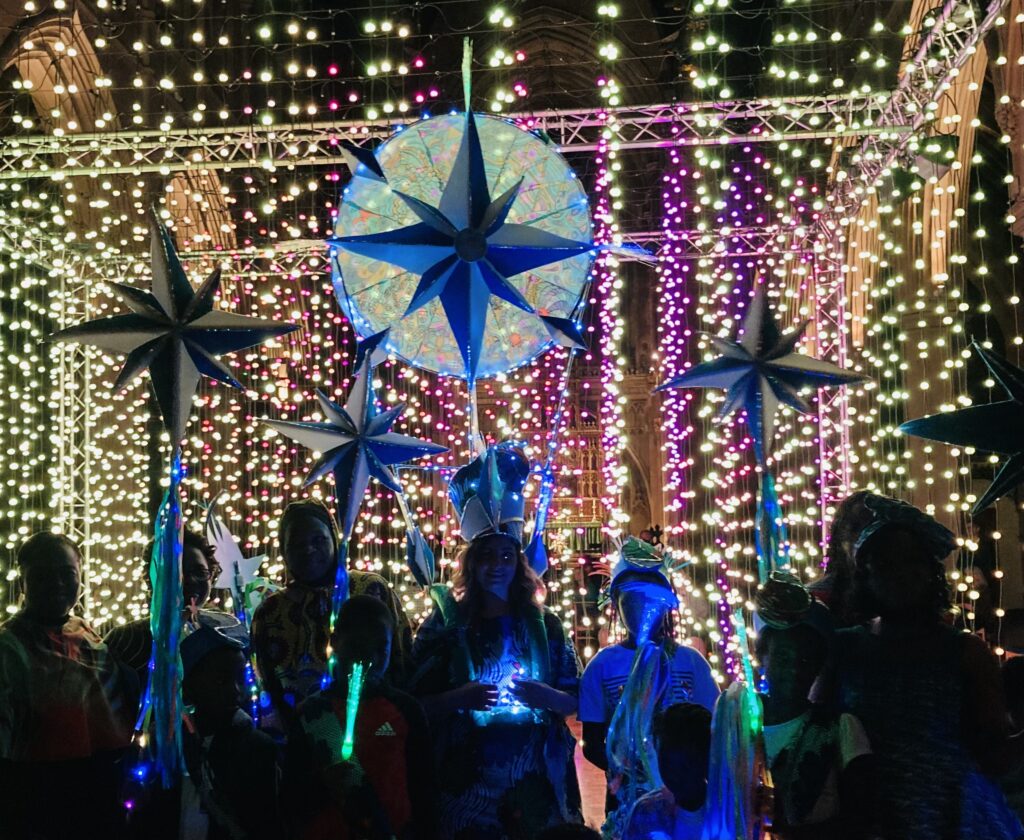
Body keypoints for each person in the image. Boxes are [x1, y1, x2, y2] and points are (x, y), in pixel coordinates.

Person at [411, 444, 582, 839]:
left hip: (536, 780)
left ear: (519, 561)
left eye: (506, 556)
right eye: (486, 556)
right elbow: (414, 703)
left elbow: (574, 699)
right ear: (471, 562)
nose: (496, 566)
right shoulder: (444, 626)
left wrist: (546, 697)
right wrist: (459, 698)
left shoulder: (547, 626)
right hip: (467, 783)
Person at [834, 495, 1023, 839]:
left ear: (930, 571)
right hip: (871, 819)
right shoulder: (844, 647)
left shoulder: (966, 652)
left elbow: (994, 753)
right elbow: (819, 732)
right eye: (886, 565)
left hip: (957, 817)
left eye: (912, 563)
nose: (901, 576)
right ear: (867, 575)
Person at [0, 532, 136, 839]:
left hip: (103, 783)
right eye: (43, 575)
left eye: (67, 574)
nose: (58, 584)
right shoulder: (9, 646)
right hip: (38, 791)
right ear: (22, 581)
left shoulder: (87, 634)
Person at [579, 538, 718, 817]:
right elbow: (592, 742)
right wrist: (627, 770)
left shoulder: (690, 662)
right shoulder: (602, 666)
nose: (641, 609)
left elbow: (712, 728)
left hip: (686, 796)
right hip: (626, 796)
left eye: (652, 599)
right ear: (616, 605)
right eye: (630, 600)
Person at [251, 499, 413, 723]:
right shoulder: (271, 611)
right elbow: (267, 686)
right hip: (305, 738)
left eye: (318, 540)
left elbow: (402, 658)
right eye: (296, 544)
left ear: (334, 541)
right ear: (284, 549)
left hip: (377, 728)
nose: (308, 549)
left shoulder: (370, 588)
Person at [290, 595, 437, 839]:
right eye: (358, 645)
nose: (369, 658)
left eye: (381, 648)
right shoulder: (311, 714)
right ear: (335, 642)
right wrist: (322, 783)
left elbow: (424, 787)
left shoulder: (405, 709)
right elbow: (292, 794)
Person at [755, 571, 874, 839]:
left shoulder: (840, 727)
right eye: (784, 657)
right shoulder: (740, 724)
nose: (795, 669)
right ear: (762, 657)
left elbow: (862, 817)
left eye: (806, 660)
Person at [179, 614, 282, 840]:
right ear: (188, 686)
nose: (236, 690)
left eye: (239, 679)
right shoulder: (175, 747)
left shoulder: (257, 748)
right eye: (220, 681)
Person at [106, 529, 223, 693]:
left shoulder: (223, 634)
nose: (189, 580)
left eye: (200, 572)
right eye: (176, 572)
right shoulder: (125, 639)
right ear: (153, 578)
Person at [621, 703, 712, 840]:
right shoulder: (646, 813)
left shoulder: (731, 813)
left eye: (687, 760)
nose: (675, 772)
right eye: (667, 760)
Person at [807, 490, 876, 627]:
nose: (865, 537)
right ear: (840, 538)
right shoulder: (814, 600)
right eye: (857, 528)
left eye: (872, 527)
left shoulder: (901, 594)